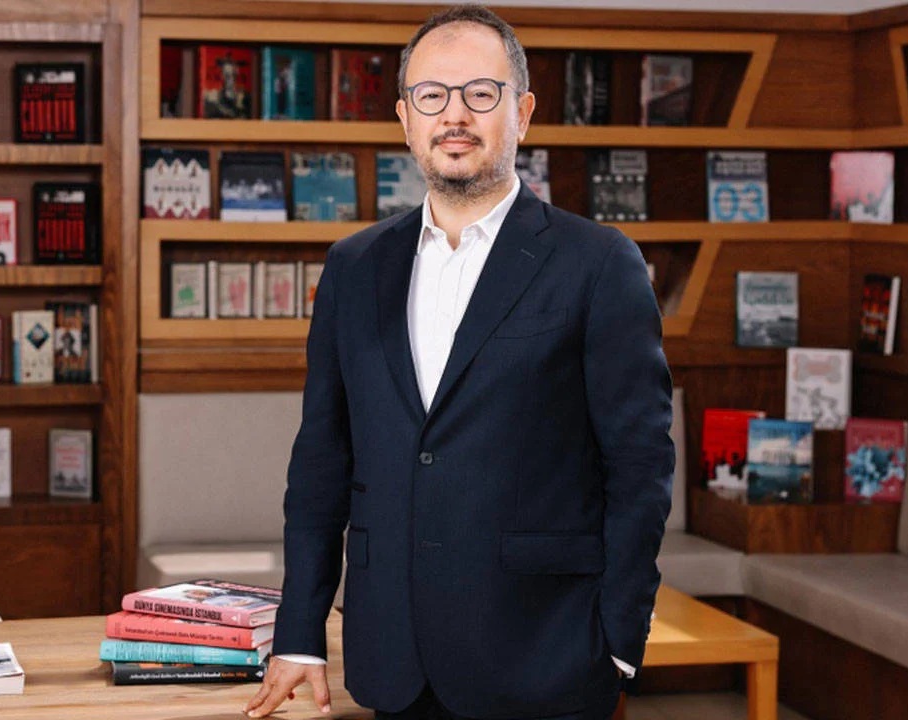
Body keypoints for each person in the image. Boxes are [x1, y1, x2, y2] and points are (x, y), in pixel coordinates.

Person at [244, 5, 673, 720]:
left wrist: (619, 641)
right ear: (405, 118)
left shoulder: (599, 263)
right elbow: (321, 460)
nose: (455, 115)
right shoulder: (353, 267)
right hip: (393, 657)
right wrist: (300, 633)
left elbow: (640, 466)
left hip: (546, 658)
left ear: (522, 112)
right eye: (431, 95)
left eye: (480, 92)